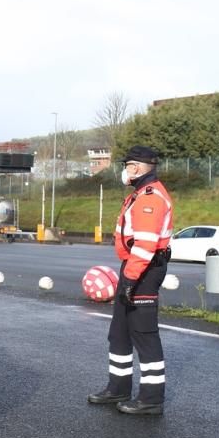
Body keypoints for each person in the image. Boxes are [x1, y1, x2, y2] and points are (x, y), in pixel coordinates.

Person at [88, 145, 174, 416]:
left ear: (135, 167)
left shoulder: (150, 197)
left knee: (144, 334)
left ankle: (150, 398)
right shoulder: (139, 194)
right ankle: (118, 388)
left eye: (126, 166)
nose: (124, 171)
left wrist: (129, 280)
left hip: (144, 270)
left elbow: (146, 245)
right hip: (135, 267)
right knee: (120, 333)